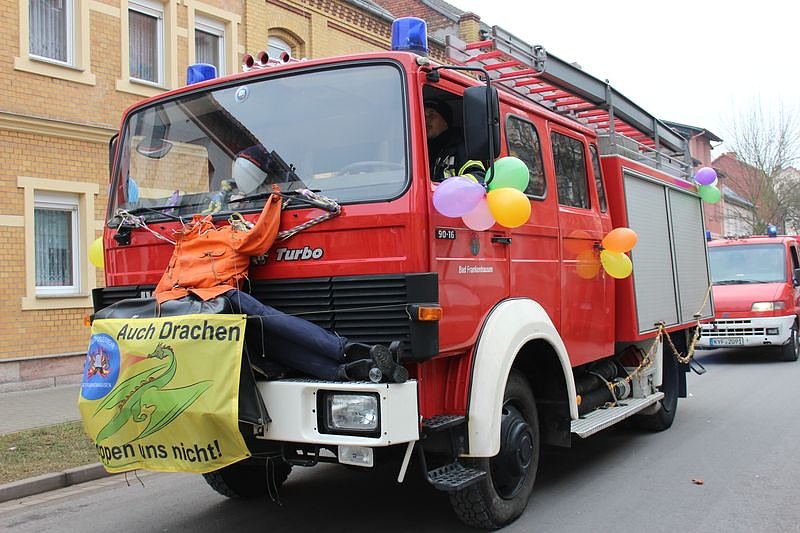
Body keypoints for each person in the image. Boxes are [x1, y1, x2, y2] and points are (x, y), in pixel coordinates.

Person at [150, 146, 407, 384]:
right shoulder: (223, 229)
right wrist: (274, 201)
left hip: (188, 306)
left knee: (272, 343)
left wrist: (273, 201)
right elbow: (259, 238)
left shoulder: (187, 238)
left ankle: (352, 368)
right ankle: (354, 352)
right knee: (271, 324)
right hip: (219, 297)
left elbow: (161, 290)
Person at [424, 98, 486, 183]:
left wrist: (445, 185)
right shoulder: (418, 151)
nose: (426, 120)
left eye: (432, 115)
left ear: (445, 122)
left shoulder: (460, 148)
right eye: (424, 116)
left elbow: (478, 177)